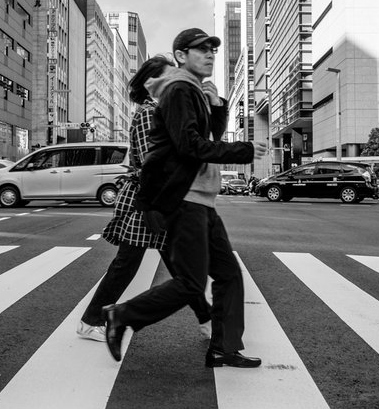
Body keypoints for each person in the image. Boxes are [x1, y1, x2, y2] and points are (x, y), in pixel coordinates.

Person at [103, 27, 267, 369]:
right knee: (190, 281)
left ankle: (224, 347)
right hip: (185, 198)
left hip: (201, 198)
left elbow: (208, 138)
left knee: (228, 275)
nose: (210, 54)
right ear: (181, 55)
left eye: (212, 50)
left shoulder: (191, 91)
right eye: (201, 49)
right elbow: (190, 146)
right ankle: (122, 315)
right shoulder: (178, 89)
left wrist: (216, 104)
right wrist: (245, 150)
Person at [77, 55, 212, 343]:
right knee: (132, 263)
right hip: (150, 199)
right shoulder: (151, 112)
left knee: (175, 265)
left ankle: (208, 320)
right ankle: (91, 321)